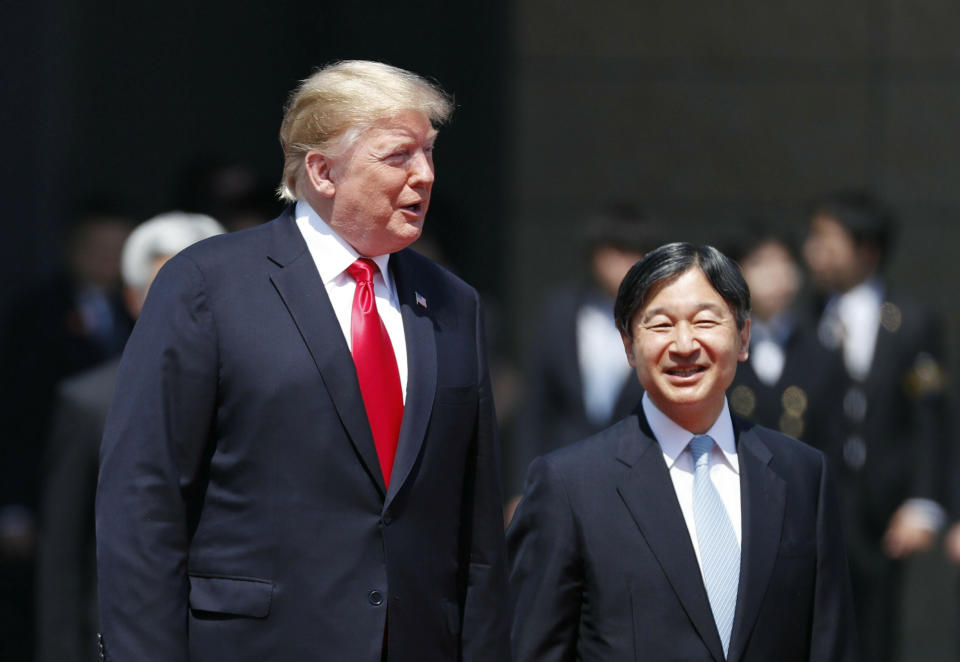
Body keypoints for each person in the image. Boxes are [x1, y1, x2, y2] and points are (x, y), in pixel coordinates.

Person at [96, 61, 511, 662]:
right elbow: (143, 500)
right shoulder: (208, 284)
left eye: (429, 153)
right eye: (399, 156)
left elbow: (476, 536)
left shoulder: (453, 303)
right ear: (322, 171)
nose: (425, 176)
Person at [507, 242, 858, 661]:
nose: (685, 343)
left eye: (706, 321)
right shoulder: (569, 486)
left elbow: (830, 642)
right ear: (629, 345)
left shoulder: (803, 475)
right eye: (660, 326)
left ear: (743, 336)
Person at [36, 211, 224, 662]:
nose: (190, 306)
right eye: (168, 290)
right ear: (133, 297)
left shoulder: (268, 392)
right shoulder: (90, 402)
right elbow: (62, 559)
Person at [802, 191, 948, 662]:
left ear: (866, 249)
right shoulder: (802, 320)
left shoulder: (909, 323)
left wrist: (923, 503)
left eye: (827, 239)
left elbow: (930, 417)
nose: (813, 251)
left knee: (876, 632)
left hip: (881, 506)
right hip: (812, 498)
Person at [507, 204, 658, 519]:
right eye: (615, 252)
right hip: (562, 473)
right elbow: (535, 405)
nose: (623, 266)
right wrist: (521, 486)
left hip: (642, 477)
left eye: (635, 254)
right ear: (594, 255)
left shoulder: (662, 320)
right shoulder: (560, 312)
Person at [726, 225, 846, 445]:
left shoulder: (822, 354)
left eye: (785, 261)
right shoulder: (721, 354)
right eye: (760, 262)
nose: (776, 273)